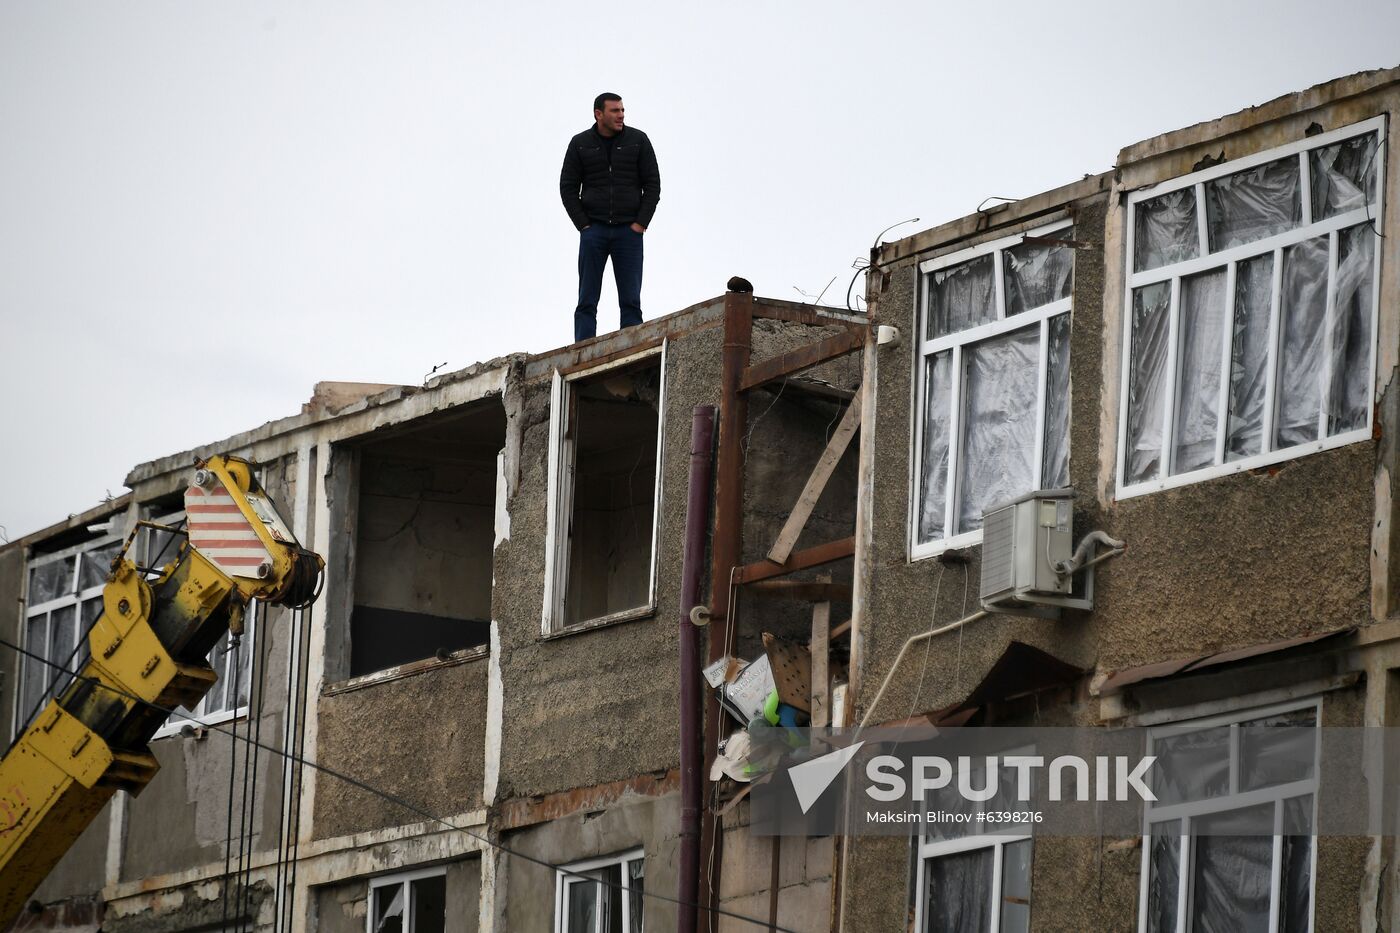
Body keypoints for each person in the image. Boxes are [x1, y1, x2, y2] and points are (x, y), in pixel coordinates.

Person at [559, 93, 661, 342]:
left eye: (623, 110)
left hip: (629, 232)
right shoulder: (580, 143)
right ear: (598, 114)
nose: (621, 115)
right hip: (594, 231)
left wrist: (640, 224)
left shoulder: (638, 140)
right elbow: (567, 188)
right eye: (615, 111)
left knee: (631, 301)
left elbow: (653, 185)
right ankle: (582, 351)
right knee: (587, 299)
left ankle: (631, 353)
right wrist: (583, 224)